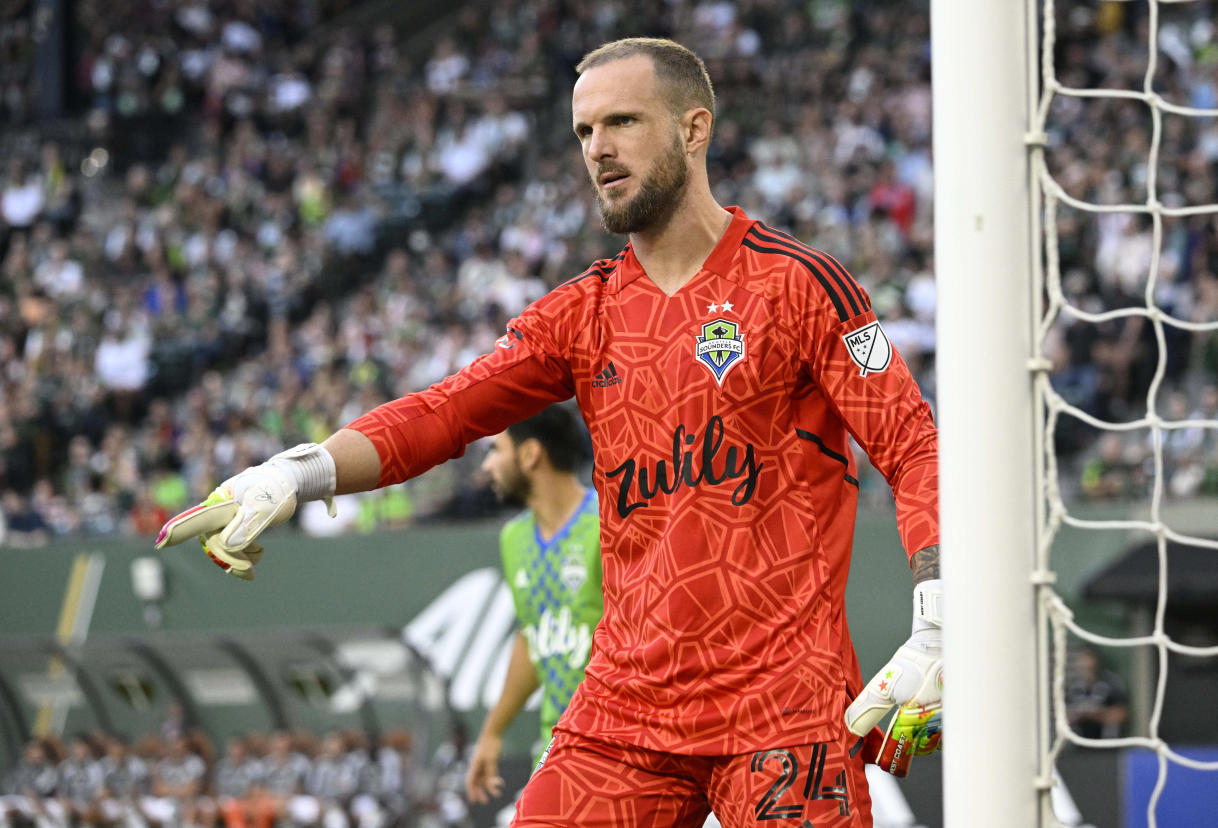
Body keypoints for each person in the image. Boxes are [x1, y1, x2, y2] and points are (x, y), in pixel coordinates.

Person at [159, 37, 943, 826]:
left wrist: (940, 609)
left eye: (623, 122)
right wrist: (296, 473)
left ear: (694, 129)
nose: (598, 149)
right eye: (583, 132)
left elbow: (913, 446)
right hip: (628, 711)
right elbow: (444, 413)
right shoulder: (583, 313)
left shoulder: (801, 285)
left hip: (782, 711)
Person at [464, 405, 602, 806]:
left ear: (530, 455)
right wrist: (492, 732)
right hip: (555, 748)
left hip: (618, 745)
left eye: (496, 450)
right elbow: (533, 635)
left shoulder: (606, 521)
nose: (487, 466)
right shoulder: (514, 538)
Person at [1065, 646, 1129, 740]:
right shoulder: (1074, 688)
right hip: (1079, 746)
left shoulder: (1111, 683)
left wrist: (1097, 714)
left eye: (1088, 658)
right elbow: (1064, 717)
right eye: (1082, 659)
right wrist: (1079, 714)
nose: (1085, 663)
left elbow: (1122, 714)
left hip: (1107, 745)